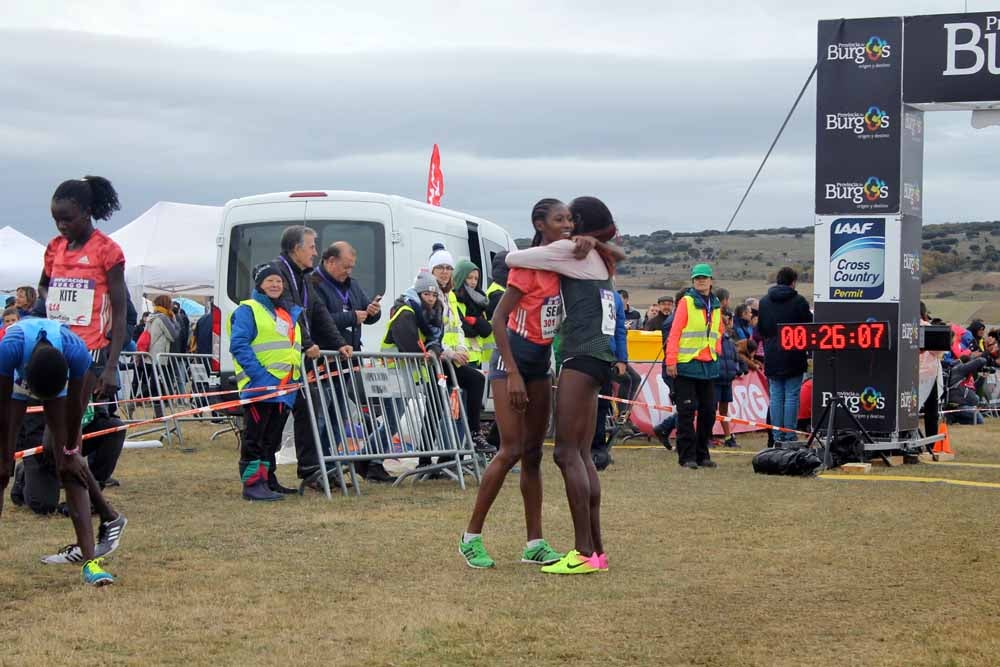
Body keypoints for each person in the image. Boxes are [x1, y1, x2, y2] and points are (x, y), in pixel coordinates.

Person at [460, 198, 586, 569]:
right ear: (539, 223)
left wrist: (591, 242)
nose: (567, 224)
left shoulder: (564, 265)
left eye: (570, 219)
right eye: (559, 219)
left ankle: (535, 542)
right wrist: (512, 372)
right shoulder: (527, 265)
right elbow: (498, 319)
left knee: (534, 454)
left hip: (538, 367)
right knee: (511, 449)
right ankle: (470, 537)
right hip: (509, 362)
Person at [506, 195, 625, 575]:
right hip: (600, 356)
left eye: (573, 219)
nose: (568, 225)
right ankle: (597, 552)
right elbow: (618, 253)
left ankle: (583, 553)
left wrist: (565, 243)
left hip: (581, 355)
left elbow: (513, 259)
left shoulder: (572, 252)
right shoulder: (603, 259)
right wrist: (597, 243)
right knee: (584, 455)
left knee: (565, 454)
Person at [0, 318, 126, 586]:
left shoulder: (76, 353)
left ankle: (90, 562)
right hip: (12, 384)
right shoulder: (8, 349)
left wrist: (70, 449)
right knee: (0, 470)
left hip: (60, 385)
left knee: (69, 466)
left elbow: (75, 412)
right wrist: (5, 453)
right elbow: (2, 410)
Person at [269, 226, 353, 488]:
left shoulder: (304, 277)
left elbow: (317, 312)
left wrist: (339, 343)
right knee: (274, 418)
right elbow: (285, 309)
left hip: (299, 359)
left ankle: (311, 470)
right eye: (312, 246)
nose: (316, 252)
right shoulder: (278, 273)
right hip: (277, 360)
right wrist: (307, 342)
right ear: (296, 249)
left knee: (309, 409)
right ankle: (264, 475)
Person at [311, 241, 394, 483]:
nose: (349, 271)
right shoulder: (315, 285)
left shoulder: (352, 285)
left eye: (352, 267)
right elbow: (318, 320)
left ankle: (330, 467)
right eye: (346, 266)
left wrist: (373, 311)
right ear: (329, 261)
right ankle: (318, 468)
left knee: (339, 416)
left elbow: (364, 315)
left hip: (347, 361)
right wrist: (350, 316)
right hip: (323, 361)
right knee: (322, 418)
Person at [228, 264, 304, 500]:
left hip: (285, 388)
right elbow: (239, 345)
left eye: (279, 281)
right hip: (260, 386)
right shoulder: (248, 310)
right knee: (255, 438)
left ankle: (268, 479)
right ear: (260, 284)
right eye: (270, 280)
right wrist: (261, 377)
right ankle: (252, 484)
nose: (275, 285)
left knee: (272, 438)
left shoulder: (286, 313)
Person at [428, 245, 492, 453]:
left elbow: (458, 327)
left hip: (453, 358)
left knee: (470, 385)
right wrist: (449, 352)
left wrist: (461, 349)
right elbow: (433, 330)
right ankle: (427, 457)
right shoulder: (428, 293)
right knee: (436, 408)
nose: (445, 271)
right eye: (440, 267)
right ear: (432, 270)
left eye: (448, 267)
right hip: (435, 358)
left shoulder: (450, 296)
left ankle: (471, 437)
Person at [11, 403, 126, 515]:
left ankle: (92, 495)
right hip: (42, 443)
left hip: (74, 437)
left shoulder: (82, 385)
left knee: (115, 427)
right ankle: (24, 474)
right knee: (43, 506)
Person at [665, 263, 723, 469]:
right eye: (697, 278)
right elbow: (675, 333)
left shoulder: (715, 304)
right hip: (687, 364)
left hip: (708, 365)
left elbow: (718, 331)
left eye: (704, 277)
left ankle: (702, 454)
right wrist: (671, 360)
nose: (701, 280)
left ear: (711, 281)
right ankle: (687, 456)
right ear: (692, 281)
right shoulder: (687, 302)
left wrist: (717, 352)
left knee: (709, 412)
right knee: (687, 412)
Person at [756, 267, 812, 443]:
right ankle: (789, 435)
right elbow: (808, 327)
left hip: (772, 354)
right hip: (794, 354)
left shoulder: (764, 302)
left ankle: (777, 436)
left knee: (776, 396)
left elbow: (761, 330)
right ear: (793, 282)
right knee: (791, 396)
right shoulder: (800, 301)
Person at [651, 289, 689, 449]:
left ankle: (664, 428)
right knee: (685, 405)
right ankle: (671, 434)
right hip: (673, 368)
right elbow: (671, 347)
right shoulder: (671, 322)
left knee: (687, 405)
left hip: (683, 367)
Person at [453, 259, 493, 371]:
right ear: (461, 277)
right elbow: (465, 329)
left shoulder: (481, 300)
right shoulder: (454, 298)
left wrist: (475, 322)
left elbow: (487, 330)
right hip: (460, 357)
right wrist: (478, 325)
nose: (473, 282)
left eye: (476, 278)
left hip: (475, 357)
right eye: (469, 278)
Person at [713, 309, 742, 449]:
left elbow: (736, 358)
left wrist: (738, 370)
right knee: (710, 410)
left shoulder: (729, 342)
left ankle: (728, 437)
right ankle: (706, 435)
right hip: (714, 380)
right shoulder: (711, 340)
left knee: (724, 411)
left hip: (727, 381)